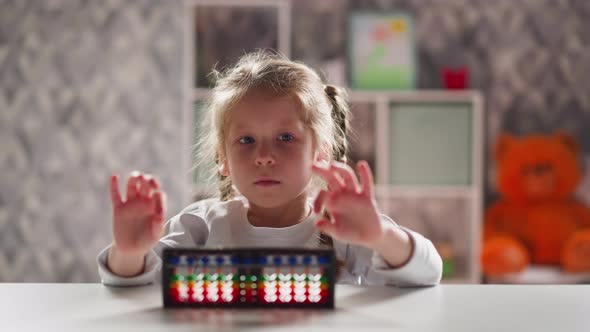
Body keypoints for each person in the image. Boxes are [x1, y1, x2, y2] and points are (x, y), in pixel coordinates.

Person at [97, 51, 442, 287]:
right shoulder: (201, 226)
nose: (264, 156)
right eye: (246, 141)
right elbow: (133, 284)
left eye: (285, 137)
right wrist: (128, 252)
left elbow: (428, 273)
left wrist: (378, 235)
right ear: (223, 158)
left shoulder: (344, 231)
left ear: (319, 151)